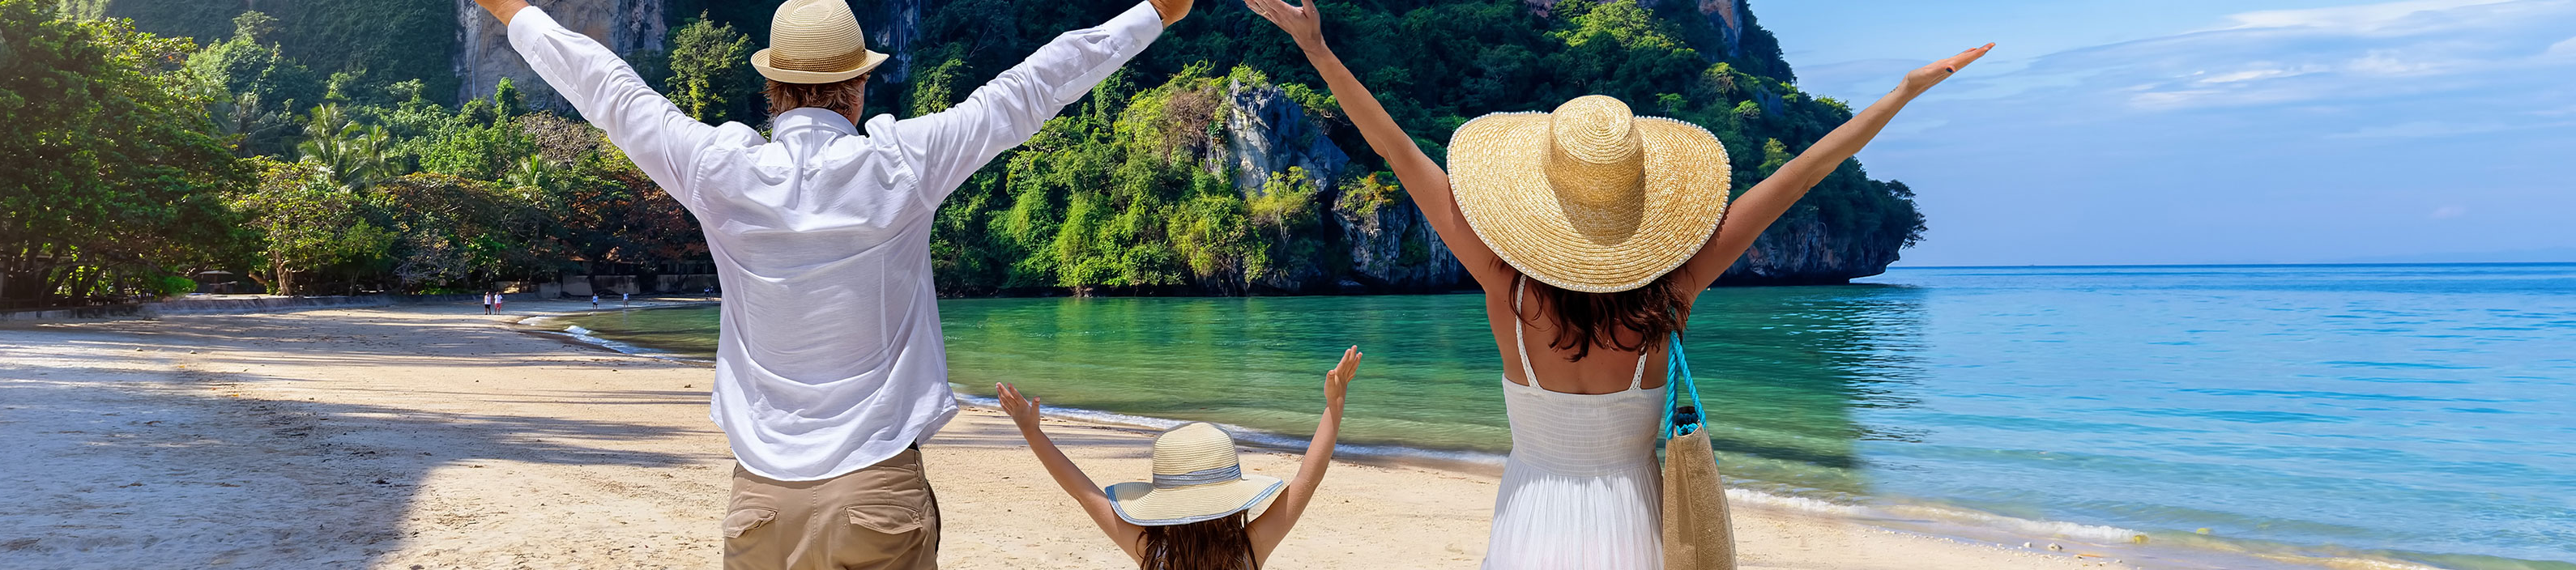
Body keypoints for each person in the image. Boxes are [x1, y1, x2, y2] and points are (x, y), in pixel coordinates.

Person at [1243, 0, 1988, 566]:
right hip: (1634, 523)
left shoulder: (1508, 290)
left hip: (1530, 516)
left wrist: (1318, 48)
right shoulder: (1672, 294)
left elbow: (1397, 150)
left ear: (1539, 204)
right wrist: (1900, 95)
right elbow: (1796, 180)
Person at [471, 0, 1195, 566]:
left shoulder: (718, 170)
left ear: (772, 91)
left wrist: (512, 13)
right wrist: (1155, 13)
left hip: (760, 500)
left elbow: (611, 92)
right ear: (856, 87)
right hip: (877, 488)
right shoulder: (904, 164)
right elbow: (1029, 90)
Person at [996, 346, 1361, 570]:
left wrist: (1032, 431)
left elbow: (1083, 492)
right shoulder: (1247, 552)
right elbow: (1306, 481)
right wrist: (1334, 407)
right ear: (1231, 496)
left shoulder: (1151, 553)